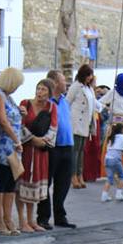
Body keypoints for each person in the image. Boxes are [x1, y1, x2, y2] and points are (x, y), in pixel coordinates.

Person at [37, 70, 77, 229]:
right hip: (52, 147)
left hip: (67, 145)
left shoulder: (65, 101)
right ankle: (43, 216)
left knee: (64, 183)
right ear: (54, 82)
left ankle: (60, 215)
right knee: (46, 182)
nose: (65, 83)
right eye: (62, 80)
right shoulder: (47, 103)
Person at [18, 79, 56, 232]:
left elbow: (53, 128)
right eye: (38, 88)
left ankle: (31, 220)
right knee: (22, 184)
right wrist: (33, 139)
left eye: (43, 89)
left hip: (41, 152)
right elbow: (19, 125)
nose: (39, 92)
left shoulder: (51, 107)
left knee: (34, 186)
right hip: (25, 150)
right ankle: (22, 221)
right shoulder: (25, 103)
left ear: (49, 93)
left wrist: (43, 141)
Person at [0, 67, 25, 235]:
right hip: (3, 145)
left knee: (11, 183)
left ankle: (8, 218)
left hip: (13, 146)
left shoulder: (9, 98)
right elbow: (3, 121)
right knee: (2, 180)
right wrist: (16, 140)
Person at [68, 65, 97, 189]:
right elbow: (67, 101)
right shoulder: (76, 86)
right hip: (76, 122)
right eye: (88, 75)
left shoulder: (89, 88)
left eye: (91, 75)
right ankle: (73, 175)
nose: (90, 77)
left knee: (81, 151)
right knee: (75, 151)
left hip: (86, 122)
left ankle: (80, 174)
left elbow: (94, 103)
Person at [102, 122, 123, 202]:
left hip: (107, 159)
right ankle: (119, 195)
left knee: (109, 178)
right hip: (115, 159)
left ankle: (104, 196)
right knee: (122, 176)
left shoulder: (111, 138)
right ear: (122, 130)